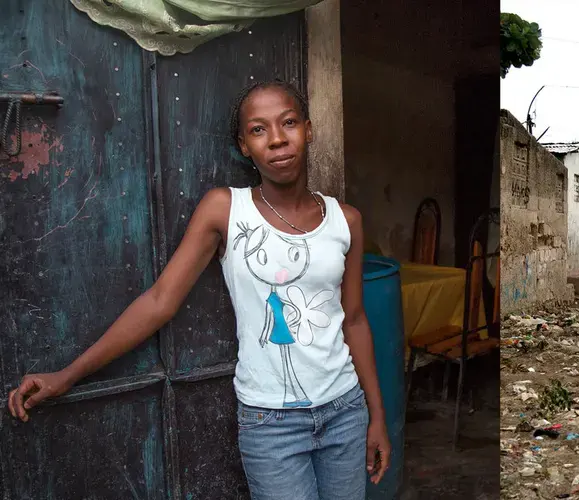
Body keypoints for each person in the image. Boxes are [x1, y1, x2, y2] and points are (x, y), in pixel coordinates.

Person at [6, 80, 390, 500]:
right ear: (244, 145)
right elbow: (159, 303)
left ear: (309, 130)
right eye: (259, 130)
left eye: (289, 123)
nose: (278, 140)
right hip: (272, 423)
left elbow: (353, 320)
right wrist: (66, 376)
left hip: (344, 411)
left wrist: (377, 416)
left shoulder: (345, 220)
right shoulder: (226, 209)